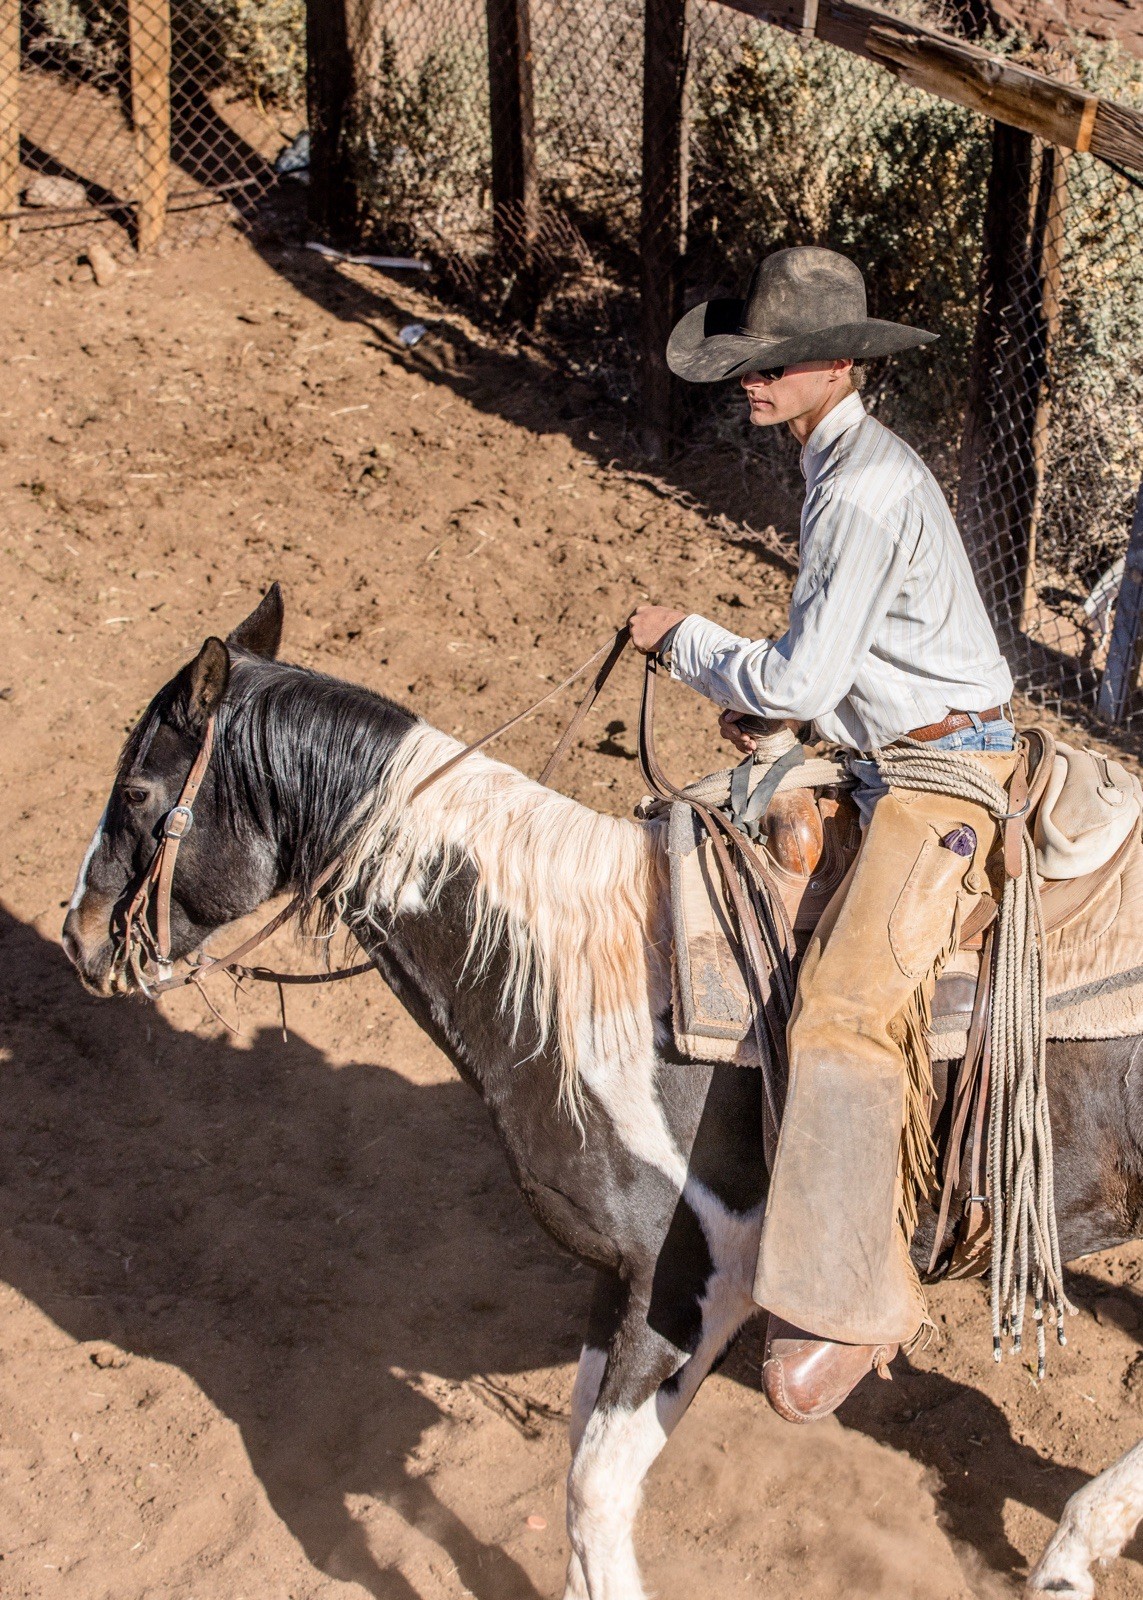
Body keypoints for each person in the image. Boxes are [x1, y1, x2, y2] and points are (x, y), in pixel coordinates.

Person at [628, 246, 1017, 1423]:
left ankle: (858, 1297)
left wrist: (685, 641)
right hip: (887, 737)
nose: (752, 380)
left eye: (777, 364)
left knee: (845, 1003)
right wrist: (793, 705)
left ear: (836, 365)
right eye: (751, 359)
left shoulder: (858, 488)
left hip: (944, 772)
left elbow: (804, 666)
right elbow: (839, 669)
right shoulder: (840, 463)